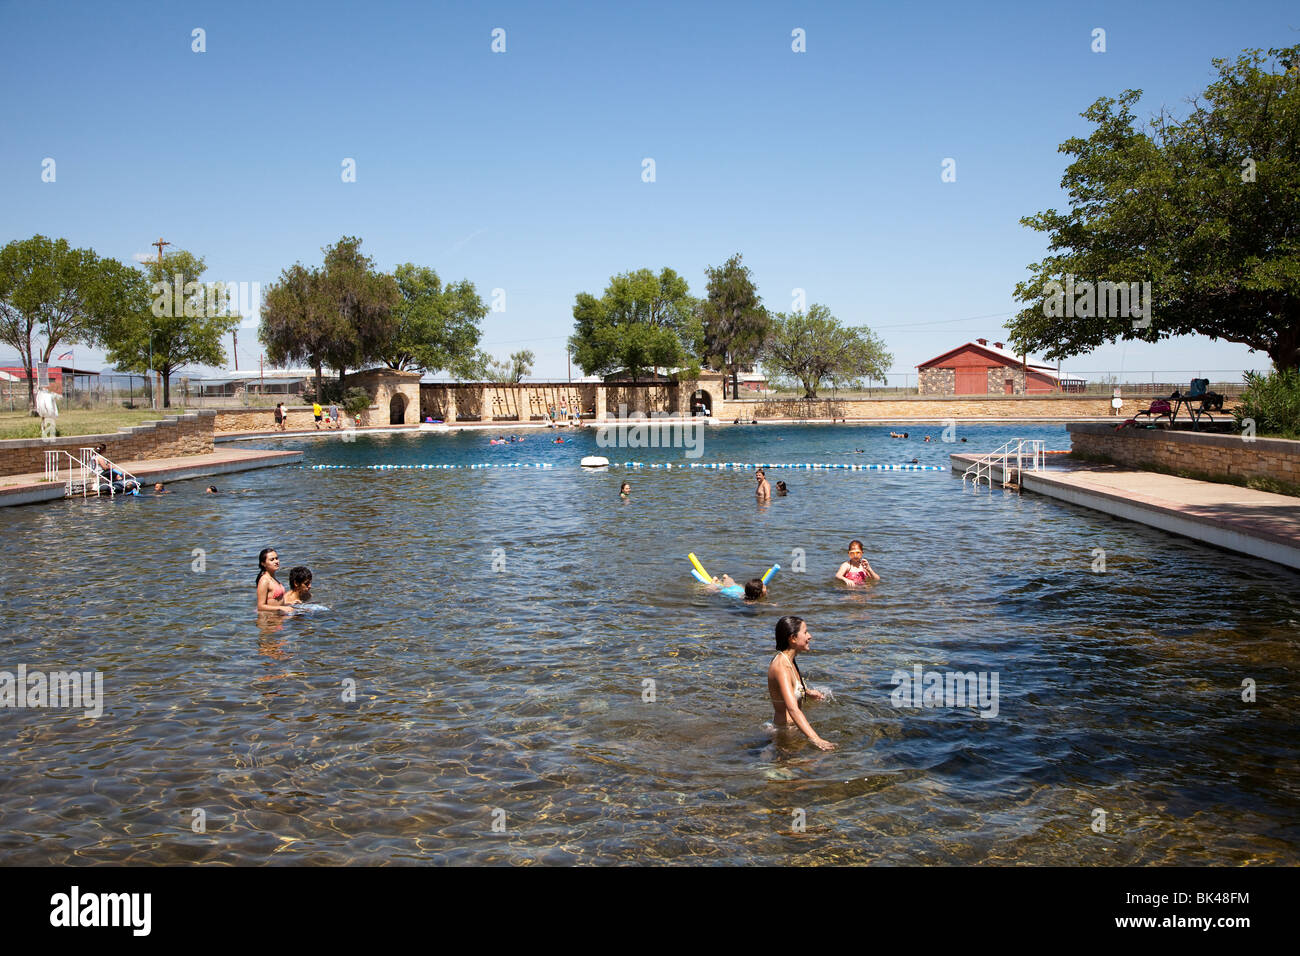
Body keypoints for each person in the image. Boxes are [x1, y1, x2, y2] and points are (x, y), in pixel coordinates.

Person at [767, 616, 833, 751]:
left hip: (792, 730)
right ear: (793, 638)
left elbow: (790, 688)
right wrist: (816, 739)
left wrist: (808, 692)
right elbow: (792, 709)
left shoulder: (790, 660)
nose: (810, 636)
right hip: (784, 734)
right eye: (805, 632)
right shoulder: (781, 667)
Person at [256, 548, 287, 613]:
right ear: (263, 564)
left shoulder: (274, 578)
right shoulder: (264, 581)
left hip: (278, 617)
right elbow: (260, 607)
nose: (276, 562)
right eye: (272, 560)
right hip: (270, 620)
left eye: (277, 558)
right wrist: (281, 608)